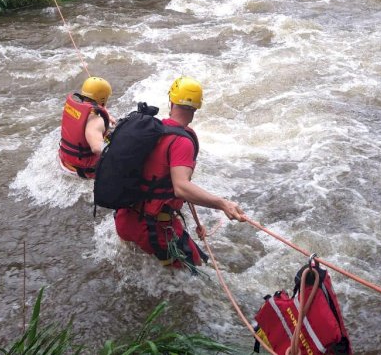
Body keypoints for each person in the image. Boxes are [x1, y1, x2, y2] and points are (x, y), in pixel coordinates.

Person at [114, 76, 245, 269]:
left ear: (172, 101)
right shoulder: (182, 141)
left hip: (124, 218)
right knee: (200, 272)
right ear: (197, 107)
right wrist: (222, 204)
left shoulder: (150, 129)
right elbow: (181, 187)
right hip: (153, 228)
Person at [58, 76, 114, 179]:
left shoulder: (76, 110)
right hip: (81, 171)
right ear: (103, 99)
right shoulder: (96, 121)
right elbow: (97, 148)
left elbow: (91, 112)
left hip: (64, 160)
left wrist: (106, 115)